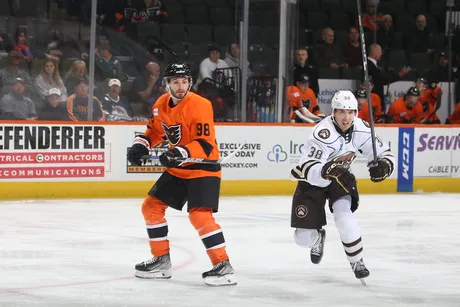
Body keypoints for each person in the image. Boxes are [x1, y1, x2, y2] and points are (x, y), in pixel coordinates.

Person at [126, 63, 236, 287]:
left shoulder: (200, 105)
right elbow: (155, 131)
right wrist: (141, 145)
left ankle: (223, 265)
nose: (181, 86)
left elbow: (204, 145)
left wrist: (178, 152)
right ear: (167, 84)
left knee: (199, 216)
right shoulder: (160, 105)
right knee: (150, 207)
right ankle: (161, 260)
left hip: (203, 167)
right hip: (179, 168)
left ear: (190, 83)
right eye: (176, 81)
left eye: (184, 81)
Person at [289, 90, 395, 284]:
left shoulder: (362, 128)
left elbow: (383, 153)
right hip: (314, 181)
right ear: (333, 112)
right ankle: (317, 237)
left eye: (351, 112)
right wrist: (325, 171)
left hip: (340, 179)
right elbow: (307, 167)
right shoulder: (322, 133)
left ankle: (357, 261)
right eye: (341, 112)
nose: (346, 117)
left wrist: (384, 166)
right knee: (302, 238)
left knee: (344, 217)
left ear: (356, 112)